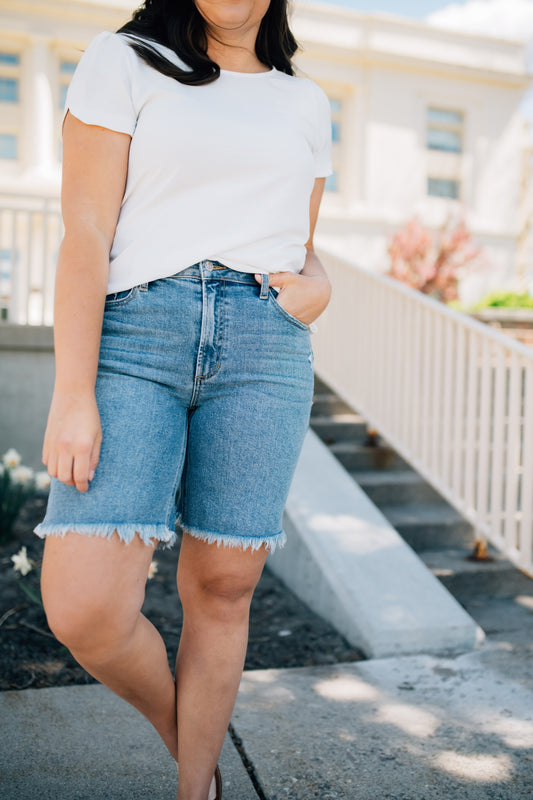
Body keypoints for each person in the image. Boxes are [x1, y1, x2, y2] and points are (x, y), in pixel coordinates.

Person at [34, 1, 332, 798]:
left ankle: (195, 788)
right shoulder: (122, 59)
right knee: (84, 606)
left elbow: (295, 239)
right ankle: (189, 743)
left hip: (264, 347)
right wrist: (72, 390)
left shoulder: (304, 102)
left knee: (223, 590)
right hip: (135, 333)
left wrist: (321, 282)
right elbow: (87, 228)